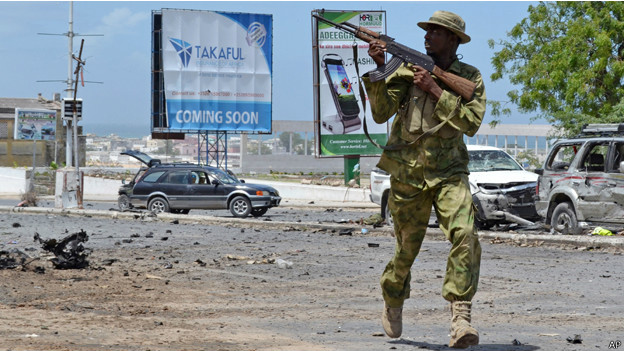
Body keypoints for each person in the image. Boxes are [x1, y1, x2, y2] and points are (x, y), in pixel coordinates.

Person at [362, 10, 486, 348]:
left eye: (435, 32)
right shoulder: (404, 70)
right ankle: (393, 298)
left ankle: (461, 318)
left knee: (465, 233)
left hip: (449, 172)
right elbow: (380, 112)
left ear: (453, 40)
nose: (427, 36)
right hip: (408, 173)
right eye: (427, 31)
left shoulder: (469, 77)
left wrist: (434, 88)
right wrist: (377, 69)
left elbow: (470, 123)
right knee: (406, 250)